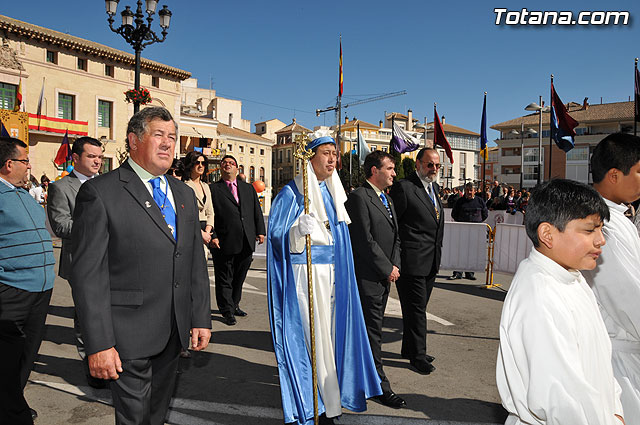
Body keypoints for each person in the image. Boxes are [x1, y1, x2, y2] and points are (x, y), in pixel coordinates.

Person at [70, 107, 211, 424]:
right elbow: (87, 276)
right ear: (133, 140)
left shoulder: (183, 193)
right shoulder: (100, 192)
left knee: (156, 415)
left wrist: (200, 316)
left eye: (172, 137)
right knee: (134, 418)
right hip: (126, 336)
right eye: (158, 135)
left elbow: (192, 262)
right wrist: (100, 343)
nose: (167, 144)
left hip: (173, 332)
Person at [267, 131, 381, 425]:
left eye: (335, 154)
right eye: (326, 153)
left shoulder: (332, 194)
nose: (333, 159)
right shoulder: (291, 194)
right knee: (311, 339)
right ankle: (312, 405)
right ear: (310, 157)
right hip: (305, 280)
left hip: (331, 277)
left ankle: (330, 404)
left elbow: (339, 240)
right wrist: (295, 233)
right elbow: (277, 241)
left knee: (330, 340)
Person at [497, 179, 624, 425]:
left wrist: (615, 410)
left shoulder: (572, 278)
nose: (601, 240)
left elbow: (598, 365)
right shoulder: (539, 295)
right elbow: (562, 401)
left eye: (601, 229)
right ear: (548, 234)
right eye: (589, 230)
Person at [583, 132, 640, 425]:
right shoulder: (604, 226)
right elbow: (627, 297)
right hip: (617, 357)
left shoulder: (617, 218)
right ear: (615, 175)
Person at [0, 136, 55, 424]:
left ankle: (12, 402)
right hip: (12, 290)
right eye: (25, 160)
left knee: (26, 355)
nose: (29, 166)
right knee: (7, 358)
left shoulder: (25, 193)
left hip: (41, 290)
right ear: (9, 164)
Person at [344, 151, 405, 409]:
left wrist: (395, 265)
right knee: (372, 335)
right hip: (367, 277)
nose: (394, 173)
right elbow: (363, 240)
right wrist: (386, 268)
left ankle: (364, 380)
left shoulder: (386, 199)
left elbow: (396, 236)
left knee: (373, 332)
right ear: (374, 171)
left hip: (383, 277)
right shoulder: (359, 197)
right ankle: (380, 386)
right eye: (390, 168)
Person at [47, 136, 104, 388]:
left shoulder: (105, 184)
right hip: (81, 262)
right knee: (86, 315)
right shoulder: (61, 187)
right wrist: (98, 226)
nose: (97, 161)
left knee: (109, 313)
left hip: (110, 260)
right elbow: (61, 225)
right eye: (91, 156)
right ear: (75, 158)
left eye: (100, 157)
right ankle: (90, 366)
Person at [389, 147, 443, 375]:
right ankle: (418, 356)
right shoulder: (404, 187)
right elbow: (394, 226)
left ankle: (409, 348)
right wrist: (396, 259)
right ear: (418, 164)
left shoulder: (434, 188)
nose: (434, 169)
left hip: (430, 261)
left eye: (437, 165)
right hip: (411, 262)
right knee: (417, 310)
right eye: (430, 164)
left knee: (417, 309)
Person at [209, 155, 266, 326]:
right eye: (224, 163)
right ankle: (226, 310)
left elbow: (257, 211)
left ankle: (234, 304)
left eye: (231, 163)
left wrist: (260, 231)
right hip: (223, 241)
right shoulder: (213, 189)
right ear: (221, 168)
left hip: (246, 240)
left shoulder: (248, 188)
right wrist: (213, 236)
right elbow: (209, 214)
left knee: (239, 277)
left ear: (237, 168)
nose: (228, 165)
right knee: (224, 277)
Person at [449, 182, 488, 281]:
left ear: (474, 191)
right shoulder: (460, 201)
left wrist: (477, 222)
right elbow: (454, 214)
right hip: (462, 231)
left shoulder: (480, 201)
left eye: (471, 190)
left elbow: (485, 214)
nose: (469, 192)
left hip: (475, 232)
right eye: (467, 190)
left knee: (472, 252)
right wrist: (462, 223)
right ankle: (458, 273)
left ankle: (469, 273)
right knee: (460, 252)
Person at [182, 151, 214, 258]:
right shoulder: (184, 186)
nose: (201, 166)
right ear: (190, 165)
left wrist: (208, 232)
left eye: (203, 163)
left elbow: (210, 212)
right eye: (197, 163)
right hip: (191, 230)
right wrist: (201, 234)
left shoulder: (206, 186)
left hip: (205, 231)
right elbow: (185, 215)